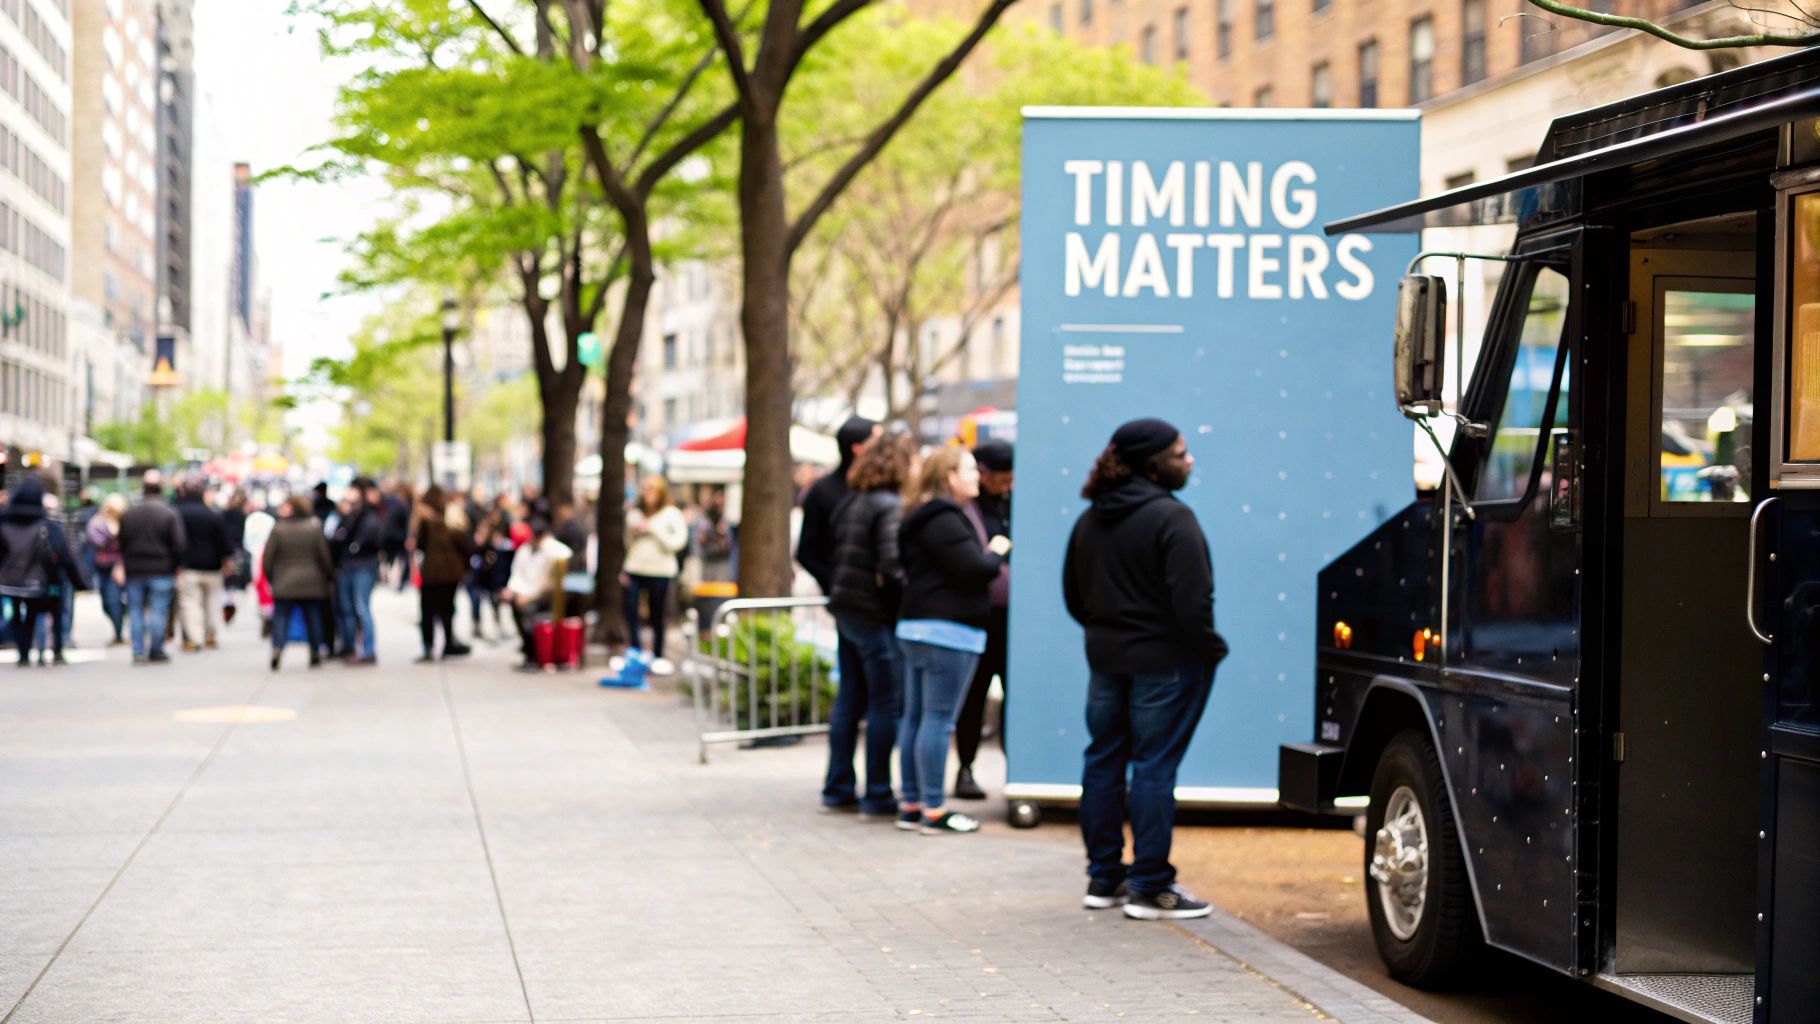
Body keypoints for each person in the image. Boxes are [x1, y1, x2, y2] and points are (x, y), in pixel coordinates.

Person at [1063, 418, 1227, 920]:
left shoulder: (1090, 520)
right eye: (1179, 452)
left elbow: (1074, 596)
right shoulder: (1172, 519)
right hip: (1166, 663)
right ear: (1151, 464)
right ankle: (1151, 886)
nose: (1190, 459)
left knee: (1104, 762)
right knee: (1154, 768)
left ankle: (1104, 879)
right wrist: (1206, 648)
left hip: (1106, 661)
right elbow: (1194, 602)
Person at [894, 447, 1007, 835]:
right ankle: (933, 809)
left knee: (916, 718)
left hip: (916, 628)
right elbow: (974, 571)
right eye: (970, 469)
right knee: (937, 720)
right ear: (949, 477)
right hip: (947, 631)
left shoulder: (919, 517)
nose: (979, 476)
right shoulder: (945, 519)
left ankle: (912, 805)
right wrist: (996, 550)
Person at [822, 433, 915, 817]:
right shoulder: (888, 506)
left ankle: (838, 786)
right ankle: (877, 791)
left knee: (849, 699)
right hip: (874, 615)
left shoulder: (854, 501)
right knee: (885, 704)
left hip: (847, 609)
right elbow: (892, 567)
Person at [953, 439, 1014, 800]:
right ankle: (965, 767)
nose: (1007, 487)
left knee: (1015, 697)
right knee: (973, 696)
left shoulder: (1013, 503)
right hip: (980, 615)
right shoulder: (966, 510)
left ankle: (1016, 770)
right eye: (1002, 479)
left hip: (1012, 620)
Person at [0, 475, 84, 666]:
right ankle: (56, 651)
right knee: (54, 613)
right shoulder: (47, 527)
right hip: (44, 579)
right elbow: (65, 556)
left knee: (20, 617)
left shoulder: (5, 524)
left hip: (11, 580)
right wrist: (78, 580)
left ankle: (23, 654)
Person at [796, 416, 878, 593]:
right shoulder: (823, 491)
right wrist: (835, 583)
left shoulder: (880, 489)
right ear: (858, 448)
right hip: (843, 601)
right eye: (876, 442)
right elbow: (807, 553)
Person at [118, 470, 187, 665]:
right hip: (161, 569)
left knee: (135, 610)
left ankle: (138, 650)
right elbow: (179, 544)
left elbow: (121, 541)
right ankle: (156, 649)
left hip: (135, 569)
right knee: (159, 609)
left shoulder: (130, 513)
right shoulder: (168, 512)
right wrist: (175, 565)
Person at [622, 476, 688, 675]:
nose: (647, 493)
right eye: (644, 489)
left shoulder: (671, 514)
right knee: (631, 612)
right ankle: (635, 652)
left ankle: (658, 655)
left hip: (661, 571)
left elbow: (677, 543)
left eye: (651, 489)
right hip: (634, 568)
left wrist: (652, 528)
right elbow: (628, 542)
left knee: (657, 614)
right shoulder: (635, 514)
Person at [263, 495, 335, 670]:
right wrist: (328, 576)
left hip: (284, 582)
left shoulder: (279, 528)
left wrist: (272, 578)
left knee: (281, 618)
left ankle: (277, 648)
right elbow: (324, 556)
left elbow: (268, 559)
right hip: (313, 582)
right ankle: (315, 650)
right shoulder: (314, 527)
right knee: (313, 618)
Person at [502, 516, 573, 671]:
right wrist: (513, 590)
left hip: (543, 596)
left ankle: (534, 654)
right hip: (525, 591)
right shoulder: (526, 549)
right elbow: (517, 573)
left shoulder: (553, 552)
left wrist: (528, 597)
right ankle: (528, 651)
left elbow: (544, 583)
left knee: (528, 612)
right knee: (516, 606)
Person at [414, 486, 475, 662]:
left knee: (428, 610)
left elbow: (420, 544)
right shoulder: (453, 516)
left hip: (432, 571)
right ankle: (448, 642)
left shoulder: (425, 519)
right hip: (451, 571)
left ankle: (428, 647)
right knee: (447, 609)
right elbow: (465, 543)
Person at [174, 479, 231, 652]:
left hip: (188, 566)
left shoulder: (177, 513)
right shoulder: (213, 514)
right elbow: (224, 542)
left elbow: (175, 542)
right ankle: (211, 632)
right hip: (213, 566)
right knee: (213, 601)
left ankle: (195, 638)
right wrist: (226, 561)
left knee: (190, 604)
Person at [331, 478, 384, 665]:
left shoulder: (368, 514)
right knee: (348, 609)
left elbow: (368, 538)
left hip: (362, 566)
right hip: (348, 566)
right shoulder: (350, 514)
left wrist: (353, 546)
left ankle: (367, 650)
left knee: (361, 607)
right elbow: (338, 537)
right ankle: (349, 646)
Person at [86, 493, 130, 646]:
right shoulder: (98, 522)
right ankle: (118, 628)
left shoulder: (126, 522)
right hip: (102, 566)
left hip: (118, 567)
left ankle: (118, 634)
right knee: (105, 602)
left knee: (113, 600)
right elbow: (93, 538)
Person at [692, 488, 736, 584]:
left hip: (722, 562)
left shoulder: (725, 522)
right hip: (708, 561)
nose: (719, 504)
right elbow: (700, 543)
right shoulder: (704, 522)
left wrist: (722, 535)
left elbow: (729, 545)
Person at [221, 489, 251, 624]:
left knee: (226, 580)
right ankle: (230, 604)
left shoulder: (223, 514)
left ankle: (227, 603)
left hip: (226, 549)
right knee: (234, 581)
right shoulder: (242, 516)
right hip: (237, 549)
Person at [384, 482, 414, 590]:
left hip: (390, 537)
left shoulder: (388, 503)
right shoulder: (403, 505)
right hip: (400, 537)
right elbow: (408, 524)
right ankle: (398, 580)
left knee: (393, 560)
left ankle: (393, 579)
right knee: (401, 560)